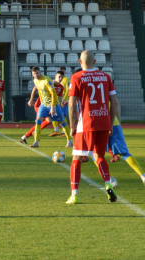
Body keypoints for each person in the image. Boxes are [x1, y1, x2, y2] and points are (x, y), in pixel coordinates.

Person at [66, 50, 119, 204]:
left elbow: (71, 104)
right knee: (99, 156)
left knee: (76, 158)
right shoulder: (105, 76)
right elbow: (114, 102)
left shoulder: (76, 77)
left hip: (85, 124)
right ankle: (108, 183)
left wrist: (72, 125)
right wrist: (110, 122)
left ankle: (74, 194)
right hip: (103, 122)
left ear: (79, 62)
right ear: (94, 62)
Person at [30, 67, 72, 148]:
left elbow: (53, 93)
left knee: (62, 122)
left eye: (37, 73)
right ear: (32, 74)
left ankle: (69, 141)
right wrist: (33, 100)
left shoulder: (47, 80)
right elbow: (39, 90)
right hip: (44, 105)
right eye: (34, 74)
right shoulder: (35, 80)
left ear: (40, 72)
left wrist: (53, 107)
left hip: (54, 105)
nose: (36, 75)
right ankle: (36, 142)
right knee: (38, 121)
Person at [19, 71, 65, 144]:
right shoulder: (49, 82)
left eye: (62, 77)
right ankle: (31, 136)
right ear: (55, 76)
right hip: (40, 104)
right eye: (59, 77)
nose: (61, 78)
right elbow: (35, 88)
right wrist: (31, 99)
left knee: (47, 121)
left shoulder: (60, 87)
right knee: (43, 121)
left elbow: (58, 98)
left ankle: (24, 137)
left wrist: (58, 108)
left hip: (49, 105)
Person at [49, 66, 70, 137]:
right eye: (61, 71)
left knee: (63, 116)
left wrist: (64, 99)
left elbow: (68, 90)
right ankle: (56, 130)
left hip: (63, 101)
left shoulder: (66, 80)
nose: (62, 73)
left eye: (63, 71)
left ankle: (64, 132)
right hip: (55, 101)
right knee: (54, 115)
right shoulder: (53, 81)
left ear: (65, 72)